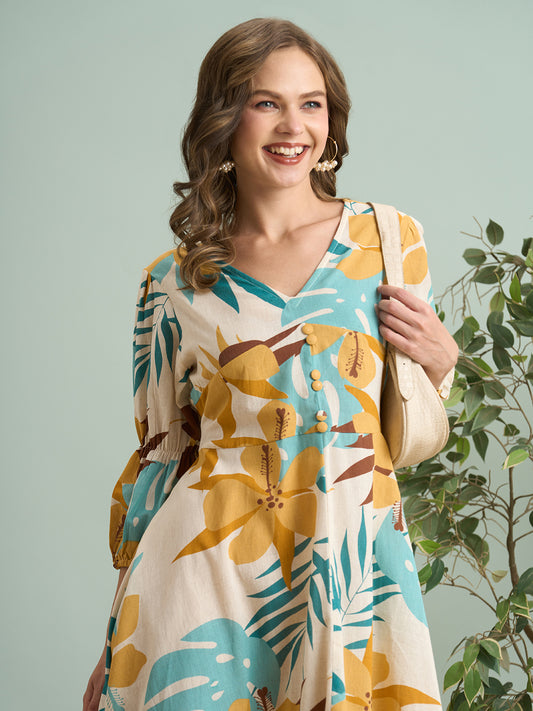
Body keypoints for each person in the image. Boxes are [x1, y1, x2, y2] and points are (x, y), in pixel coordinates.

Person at [83, 17, 458, 711]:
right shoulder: (171, 283)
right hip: (202, 581)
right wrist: (113, 643)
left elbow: (396, 422)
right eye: (266, 102)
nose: (293, 126)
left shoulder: (388, 240)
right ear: (224, 119)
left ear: (330, 120)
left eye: (310, 103)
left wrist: (441, 366)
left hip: (348, 568)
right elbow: (162, 459)